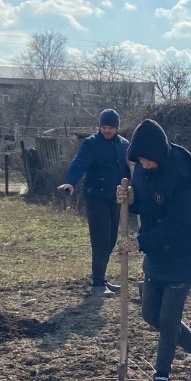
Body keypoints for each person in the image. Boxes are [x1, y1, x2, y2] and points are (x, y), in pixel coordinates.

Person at [116, 118, 191, 381]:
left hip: (181, 252)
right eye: (139, 161)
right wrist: (129, 198)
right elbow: (145, 200)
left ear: (160, 156)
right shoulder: (142, 165)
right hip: (155, 251)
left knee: (168, 321)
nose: (144, 166)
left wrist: (138, 242)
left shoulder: (182, 174)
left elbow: (177, 225)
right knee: (150, 314)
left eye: (148, 161)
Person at [59, 108, 132, 295]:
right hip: (96, 197)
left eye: (111, 127)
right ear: (99, 127)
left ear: (117, 128)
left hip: (116, 200)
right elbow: (79, 163)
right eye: (104, 127)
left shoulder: (124, 145)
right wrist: (70, 182)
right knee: (100, 239)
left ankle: (102, 278)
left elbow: (131, 167)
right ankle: (98, 284)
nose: (107, 131)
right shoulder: (91, 144)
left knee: (110, 240)